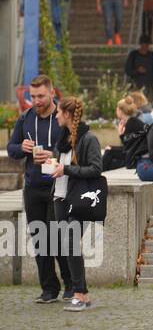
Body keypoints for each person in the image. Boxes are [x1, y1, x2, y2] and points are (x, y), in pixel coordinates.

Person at [6, 75, 74, 303]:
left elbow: (74, 150)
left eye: (41, 96)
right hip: (33, 186)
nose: (36, 100)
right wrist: (21, 147)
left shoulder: (62, 119)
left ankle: (71, 285)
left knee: (58, 238)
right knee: (39, 240)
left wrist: (53, 155)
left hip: (58, 187)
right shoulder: (25, 118)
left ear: (52, 93)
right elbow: (11, 149)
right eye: (32, 96)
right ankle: (48, 288)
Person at [50, 96, 102, 311]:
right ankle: (83, 294)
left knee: (71, 243)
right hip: (60, 198)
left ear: (68, 114)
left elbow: (96, 168)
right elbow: (60, 165)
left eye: (59, 112)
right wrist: (50, 162)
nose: (56, 115)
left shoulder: (88, 139)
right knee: (66, 246)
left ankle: (79, 293)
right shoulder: (62, 138)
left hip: (79, 200)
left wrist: (67, 169)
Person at [102, 96, 149, 172]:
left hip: (135, 157)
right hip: (136, 154)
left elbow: (127, 148)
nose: (116, 111)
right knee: (110, 158)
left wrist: (121, 135)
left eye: (117, 109)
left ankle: (97, 171)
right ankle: (99, 170)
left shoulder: (131, 123)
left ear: (120, 111)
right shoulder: (132, 121)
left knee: (109, 151)